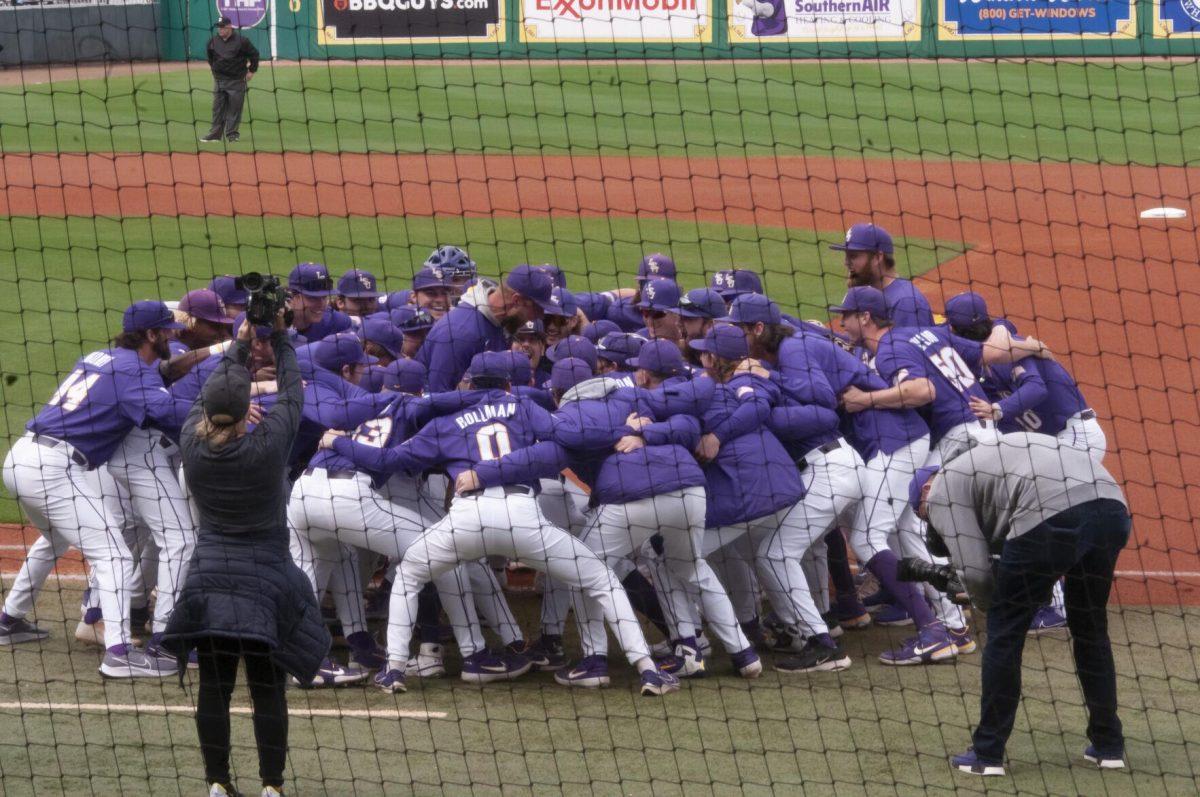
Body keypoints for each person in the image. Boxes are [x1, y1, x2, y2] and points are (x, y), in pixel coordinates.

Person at [326, 351, 680, 696]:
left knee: (409, 574)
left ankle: (394, 669)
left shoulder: (445, 422)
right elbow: (571, 438)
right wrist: (623, 430)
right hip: (522, 514)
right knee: (601, 578)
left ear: (467, 384)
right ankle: (647, 668)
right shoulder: (524, 406)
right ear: (507, 384)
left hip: (468, 519)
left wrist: (338, 441)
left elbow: (388, 460)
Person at [162, 310, 331, 797]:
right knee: (267, 691)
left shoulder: (192, 444)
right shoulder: (267, 448)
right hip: (264, 585)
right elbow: (294, 394)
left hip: (208, 583)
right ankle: (271, 788)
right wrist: (277, 338)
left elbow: (204, 395)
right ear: (244, 413)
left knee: (214, 687)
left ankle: (217, 784)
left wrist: (238, 345)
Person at [911, 433, 1131, 776]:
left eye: (924, 516)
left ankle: (987, 755)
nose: (931, 521)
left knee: (1004, 632)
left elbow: (977, 573)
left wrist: (985, 604)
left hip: (1049, 512)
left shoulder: (940, 492)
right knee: (1090, 629)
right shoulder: (989, 460)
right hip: (1112, 508)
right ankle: (1108, 746)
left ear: (925, 492)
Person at [0, 301, 192, 677]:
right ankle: (118, 653)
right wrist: (224, 406)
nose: (173, 334)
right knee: (115, 556)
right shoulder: (134, 372)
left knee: (54, 538)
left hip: (21, 458)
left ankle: (9, 619)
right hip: (55, 469)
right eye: (167, 330)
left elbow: (149, 381)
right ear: (151, 335)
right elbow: (168, 414)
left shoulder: (102, 357)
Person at [831, 223, 933, 328]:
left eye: (853, 256)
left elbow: (911, 344)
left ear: (877, 257)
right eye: (846, 256)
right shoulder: (869, 296)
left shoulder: (905, 303)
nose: (846, 263)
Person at [200, 17, 259, 144]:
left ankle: (232, 134)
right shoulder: (212, 41)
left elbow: (254, 55)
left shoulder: (242, 41)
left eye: (222, 27)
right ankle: (215, 134)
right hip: (219, 81)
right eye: (219, 27)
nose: (220, 29)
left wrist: (251, 71)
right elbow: (211, 59)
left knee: (234, 109)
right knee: (217, 109)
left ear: (230, 27)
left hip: (236, 81)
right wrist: (215, 71)